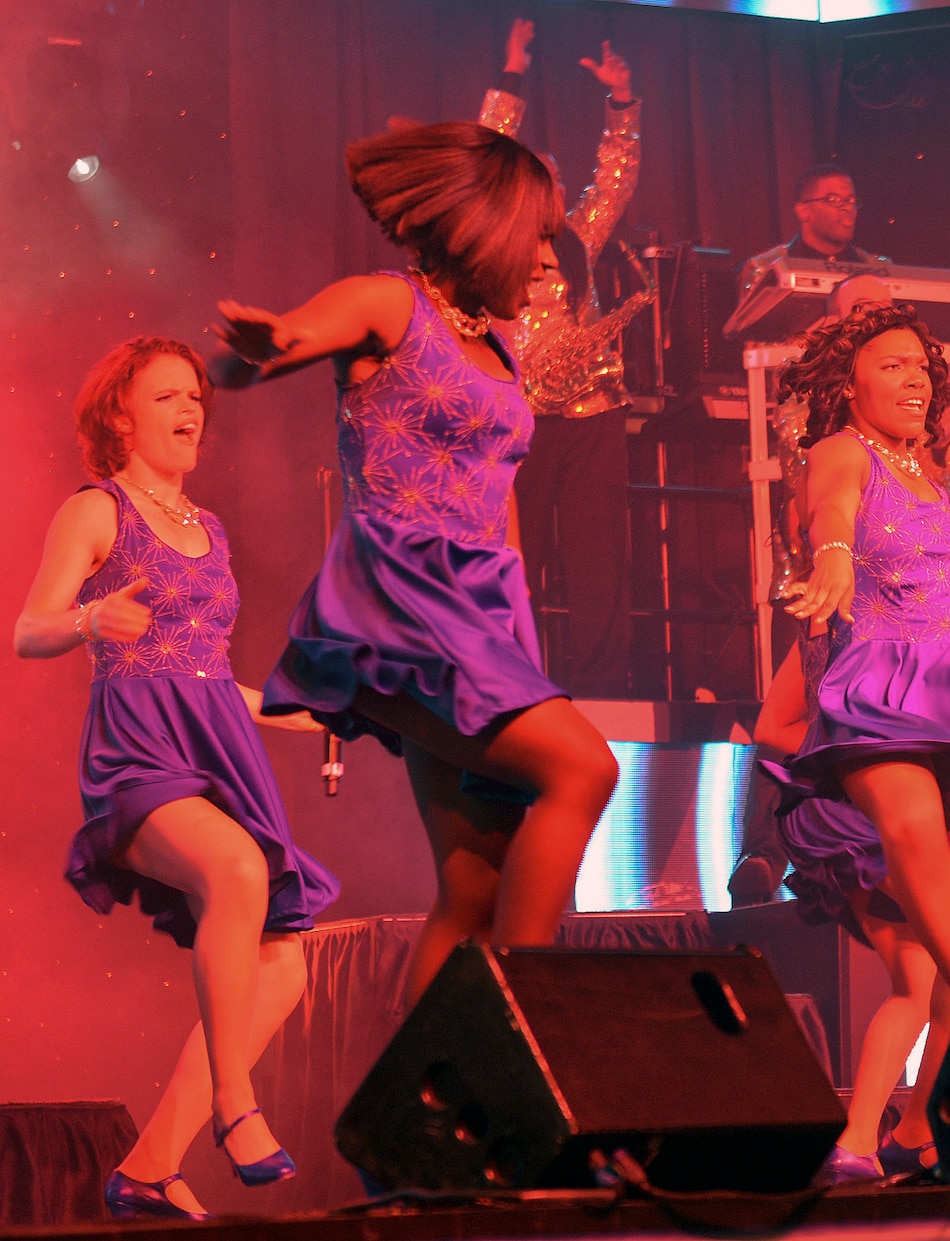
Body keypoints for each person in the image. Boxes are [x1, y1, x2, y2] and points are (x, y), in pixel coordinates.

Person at [208, 120, 619, 1010]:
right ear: (487, 228)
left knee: (472, 891)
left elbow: (499, 498)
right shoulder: (390, 303)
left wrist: (520, 641)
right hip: (402, 601)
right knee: (587, 769)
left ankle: (405, 1135)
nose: (550, 258)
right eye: (540, 234)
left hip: (482, 618)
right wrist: (261, 344)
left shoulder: (502, 346)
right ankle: (527, 1025)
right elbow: (278, 345)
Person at [15, 338, 339, 1218]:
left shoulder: (210, 529)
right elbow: (28, 630)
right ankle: (237, 1102)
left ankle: (150, 1164)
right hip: (137, 749)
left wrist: (300, 712)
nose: (192, 408)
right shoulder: (98, 510)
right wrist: (89, 616)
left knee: (282, 970)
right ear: (120, 414)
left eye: (195, 395)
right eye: (167, 397)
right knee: (236, 872)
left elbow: (207, 670)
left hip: (215, 743)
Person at [767, 301, 950, 1182]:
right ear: (848, 386)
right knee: (915, 843)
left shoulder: (930, 477)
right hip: (884, 678)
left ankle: (924, 1123)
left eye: (921, 366)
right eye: (891, 365)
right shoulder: (841, 453)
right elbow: (833, 516)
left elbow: (946, 585)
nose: (914, 377)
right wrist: (834, 555)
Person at [480, 20, 647, 698]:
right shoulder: (489, 243)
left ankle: (604, 688)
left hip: (592, 414)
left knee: (598, 561)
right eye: (533, 178)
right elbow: (483, 153)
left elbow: (618, 173)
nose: (547, 189)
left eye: (551, 179)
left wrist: (623, 101)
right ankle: (508, 680)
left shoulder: (579, 235)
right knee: (516, 558)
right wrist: (512, 74)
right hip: (518, 419)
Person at [738, 165, 891, 307]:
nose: (847, 207)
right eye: (833, 199)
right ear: (803, 210)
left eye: (851, 200)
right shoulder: (766, 269)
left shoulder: (877, 269)